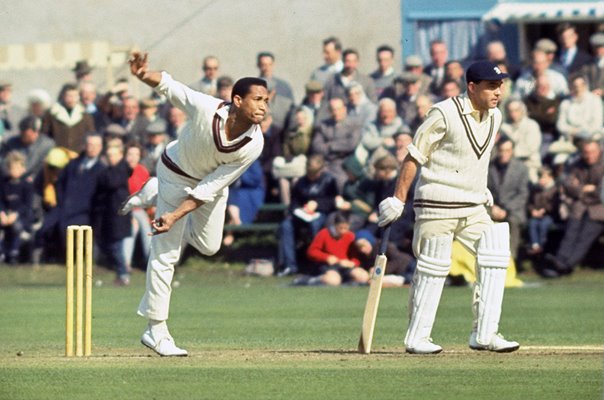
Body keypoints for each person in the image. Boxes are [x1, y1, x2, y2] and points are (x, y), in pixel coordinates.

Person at [120, 52, 268, 357]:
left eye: (266, 100)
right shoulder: (206, 107)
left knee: (210, 246)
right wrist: (141, 75)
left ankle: (153, 191)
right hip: (174, 173)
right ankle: (156, 330)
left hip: (209, 186)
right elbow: (170, 86)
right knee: (165, 253)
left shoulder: (255, 143)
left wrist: (174, 215)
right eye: (257, 99)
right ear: (237, 100)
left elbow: (211, 187)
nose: (263, 106)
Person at [377, 60, 519, 354]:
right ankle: (417, 338)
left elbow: (475, 158)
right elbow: (414, 156)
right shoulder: (443, 112)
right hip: (437, 204)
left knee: (494, 256)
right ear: (472, 87)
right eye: (491, 86)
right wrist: (398, 199)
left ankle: (485, 333)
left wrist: (482, 189)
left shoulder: (496, 116)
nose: (498, 92)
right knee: (433, 267)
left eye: (500, 85)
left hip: (473, 206)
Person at [540, 140, 604, 278]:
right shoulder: (578, 164)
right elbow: (568, 185)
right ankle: (559, 261)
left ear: (599, 151)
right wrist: (585, 189)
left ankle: (566, 264)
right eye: (586, 153)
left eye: (592, 152)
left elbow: (600, 192)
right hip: (579, 208)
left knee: (584, 237)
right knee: (570, 234)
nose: (589, 156)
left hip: (599, 211)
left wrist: (581, 189)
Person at [295, 212, 368, 286]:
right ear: (335, 225)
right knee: (333, 280)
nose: (343, 231)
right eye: (340, 228)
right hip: (328, 266)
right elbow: (311, 251)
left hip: (345, 266)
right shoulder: (324, 233)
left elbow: (356, 256)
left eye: (345, 228)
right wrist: (326, 257)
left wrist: (353, 263)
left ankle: (345, 283)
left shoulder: (350, 236)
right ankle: (309, 280)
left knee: (363, 277)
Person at [487, 136, 530, 262]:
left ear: (512, 151)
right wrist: (492, 207)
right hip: (492, 208)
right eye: (502, 150)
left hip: (513, 210)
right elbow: (485, 190)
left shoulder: (521, 168)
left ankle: (510, 261)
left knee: (513, 222)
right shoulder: (489, 167)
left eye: (508, 150)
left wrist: (506, 210)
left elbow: (522, 194)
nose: (504, 154)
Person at [0, 152, 34, 264]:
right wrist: (2, 213)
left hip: (21, 217)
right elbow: (1, 201)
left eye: (18, 167)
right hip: (6, 215)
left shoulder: (26, 184)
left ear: (23, 169)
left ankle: (14, 253)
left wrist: (15, 215)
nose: (15, 170)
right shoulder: (4, 183)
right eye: (13, 168)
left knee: (16, 226)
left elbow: (26, 205)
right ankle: (2, 252)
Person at [41, 83, 95, 153]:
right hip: (58, 154)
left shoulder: (85, 115)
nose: (72, 99)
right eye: (69, 96)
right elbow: (45, 136)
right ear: (63, 96)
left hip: (78, 155)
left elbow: (90, 134)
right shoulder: (51, 114)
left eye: (75, 96)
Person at [499, 99, 542, 183]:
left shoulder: (532, 125)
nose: (513, 114)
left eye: (516, 110)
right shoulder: (504, 127)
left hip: (529, 163)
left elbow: (530, 148)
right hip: (508, 164)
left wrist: (511, 153)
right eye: (510, 111)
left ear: (522, 110)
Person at [556, 74, 603, 143]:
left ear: (585, 86)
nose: (578, 89)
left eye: (581, 85)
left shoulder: (595, 100)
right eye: (575, 86)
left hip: (592, 139)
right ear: (571, 87)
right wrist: (572, 131)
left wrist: (580, 132)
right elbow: (560, 125)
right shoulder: (565, 103)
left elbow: (597, 124)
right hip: (570, 138)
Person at [526, 166, 559, 255]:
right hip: (536, 214)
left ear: (550, 178)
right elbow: (530, 202)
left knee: (544, 225)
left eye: (544, 177)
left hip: (549, 215)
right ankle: (535, 245)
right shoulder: (536, 189)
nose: (541, 180)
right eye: (540, 177)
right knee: (532, 224)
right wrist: (532, 211)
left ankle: (542, 245)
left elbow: (554, 205)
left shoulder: (555, 190)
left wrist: (544, 211)